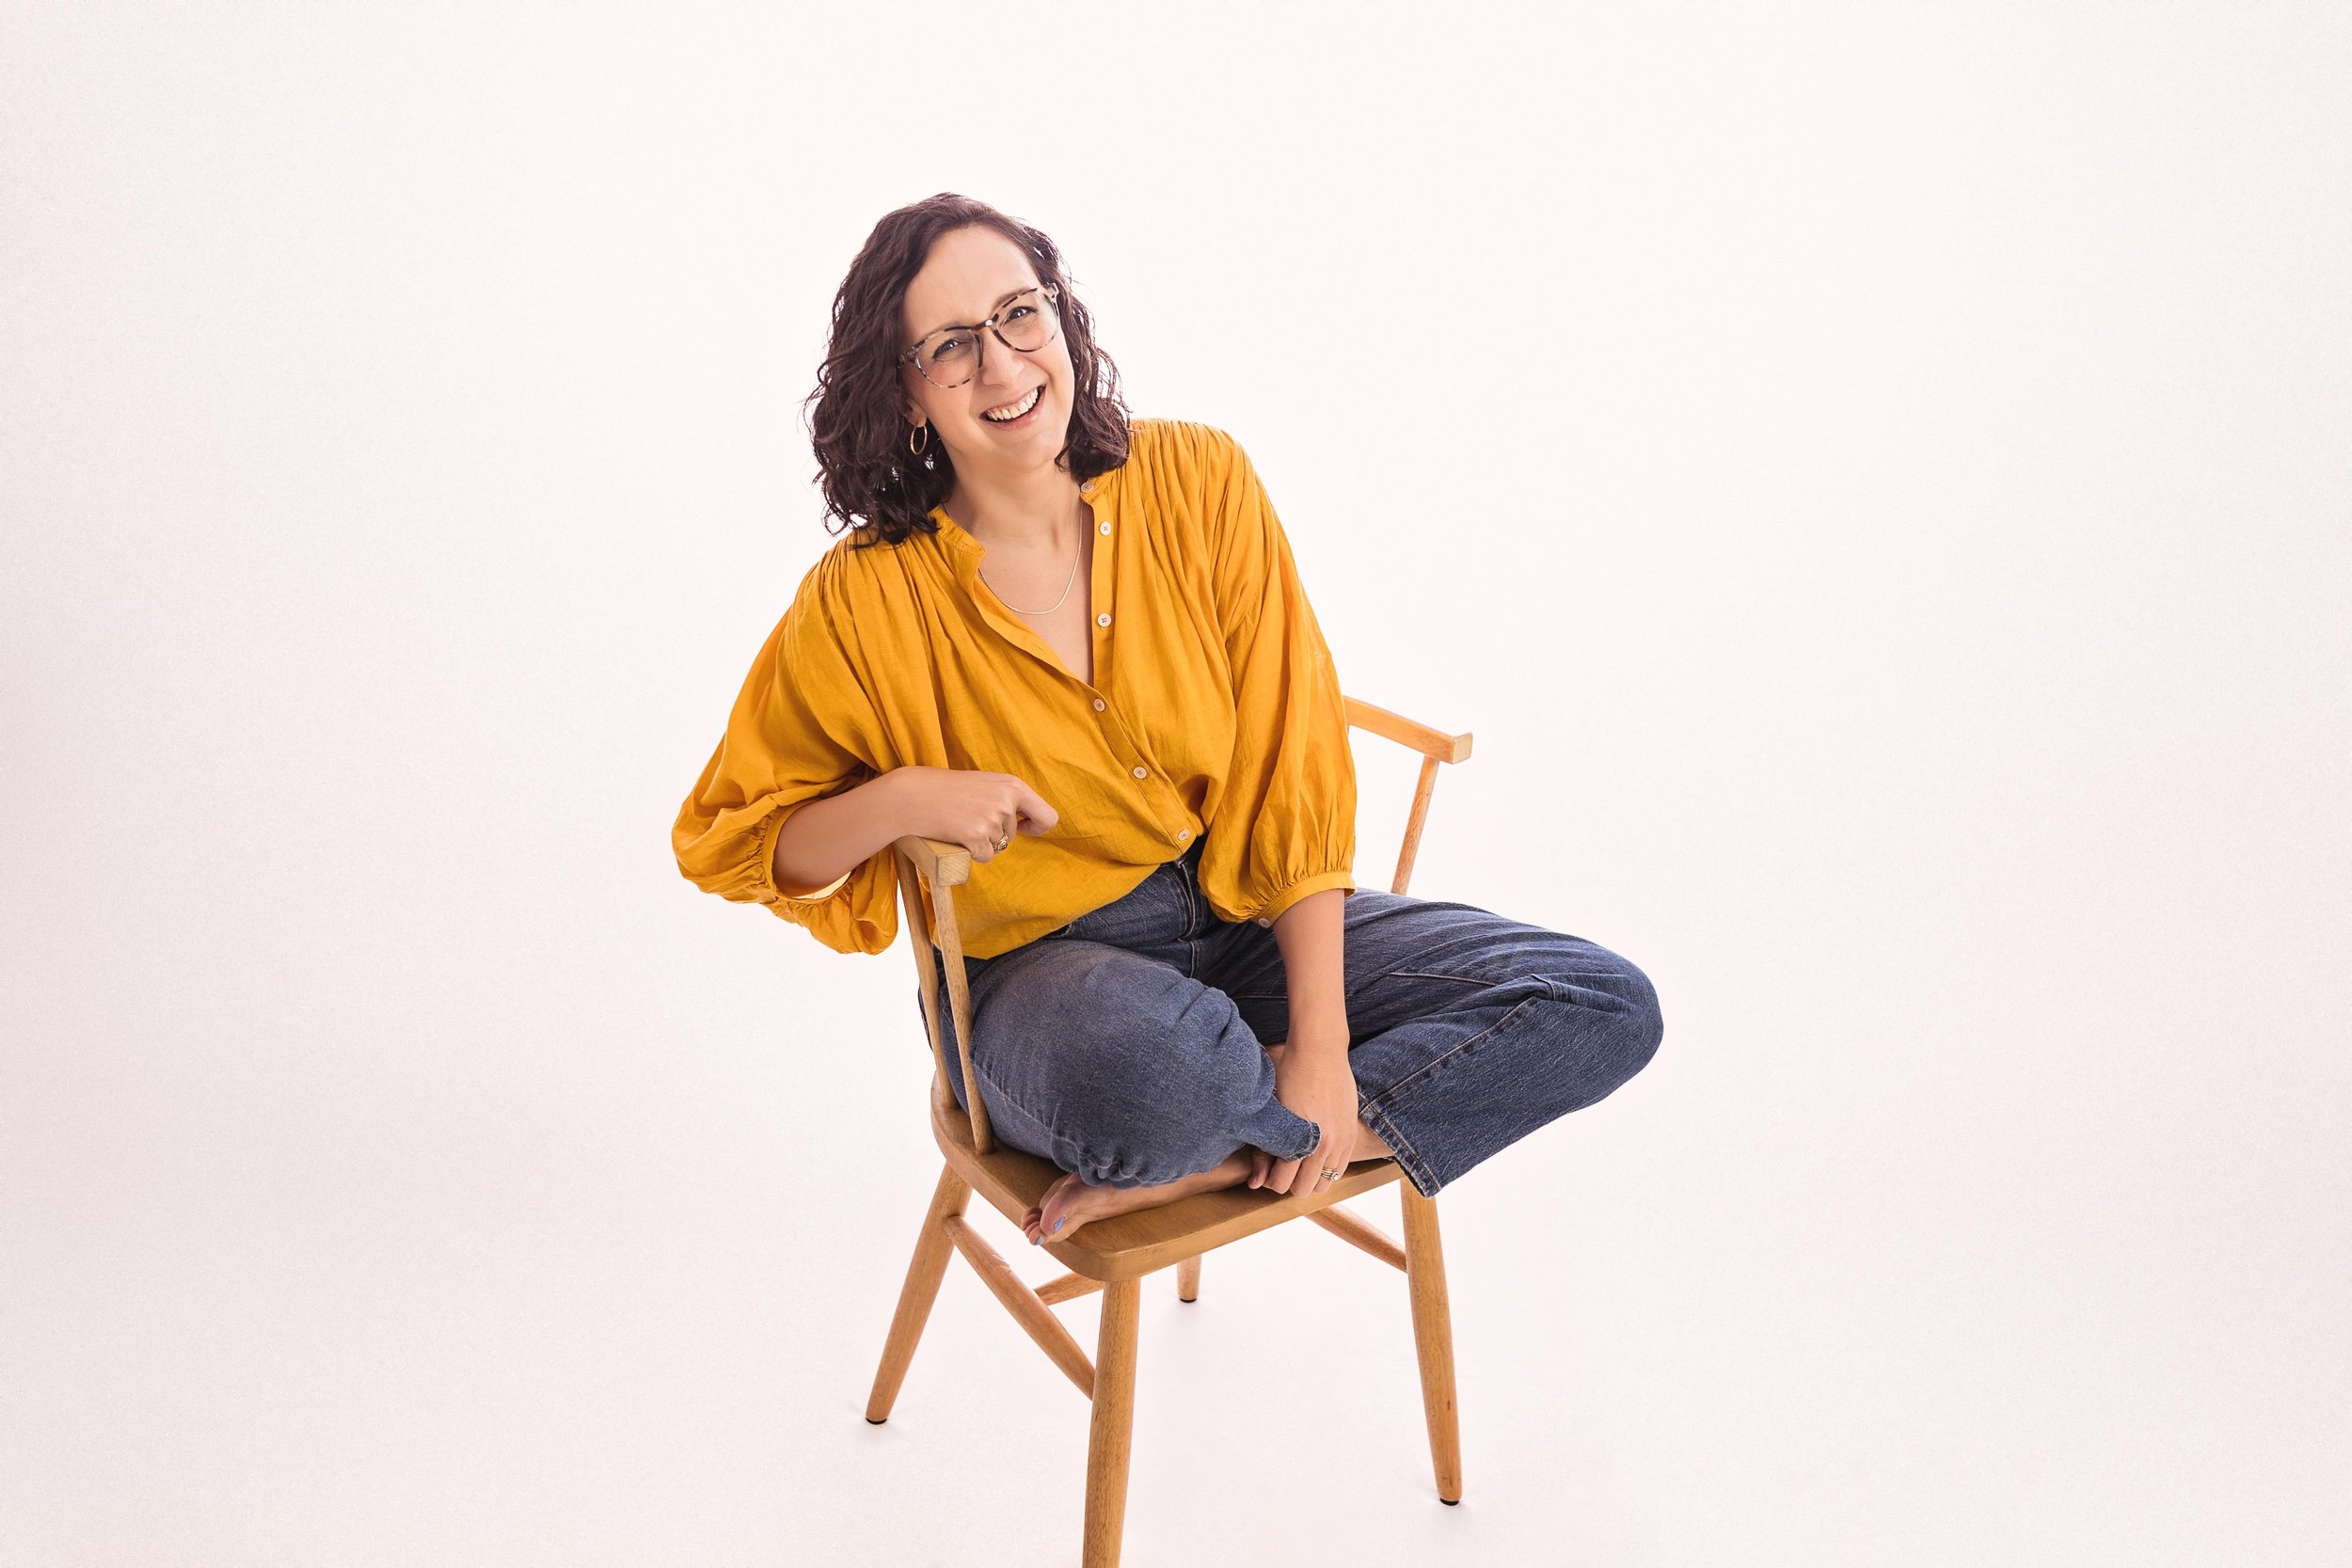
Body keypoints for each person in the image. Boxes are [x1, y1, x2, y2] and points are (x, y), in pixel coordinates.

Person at [673, 192, 1662, 1246]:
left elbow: (1291, 752)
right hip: (1045, 982)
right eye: (952, 345)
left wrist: (1321, 1047)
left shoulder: (1200, 480)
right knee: (1148, 1075)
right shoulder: (864, 597)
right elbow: (737, 839)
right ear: (906, 388)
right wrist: (901, 797)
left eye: (1020, 313)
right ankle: (1222, 1111)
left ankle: (1232, 1149)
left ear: (1062, 319)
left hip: (1250, 916)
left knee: (1601, 1001)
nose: (1003, 365)